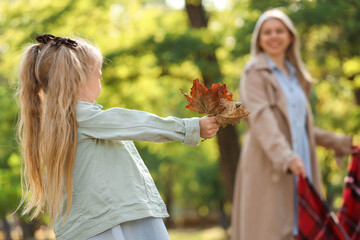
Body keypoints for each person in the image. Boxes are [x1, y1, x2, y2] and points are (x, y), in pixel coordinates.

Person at [17, 34, 220, 240]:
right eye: (98, 76)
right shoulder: (81, 117)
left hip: (95, 223)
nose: (100, 82)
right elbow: (135, 123)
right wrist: (189, 128)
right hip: (110, 223)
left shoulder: (56, 124)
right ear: (78, 78)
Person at [231, 9, 354, 240]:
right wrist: (286, 157)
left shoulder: (296, 76)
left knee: (304, 231)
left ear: (290, 36)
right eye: (267, 32)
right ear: (258, 39)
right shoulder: (254, 72)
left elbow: (299, 126)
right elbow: (261, 120)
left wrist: (339, 143)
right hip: (270, 164)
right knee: (271, 230)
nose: (273, 36)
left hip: (301, 163)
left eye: (279, 31)